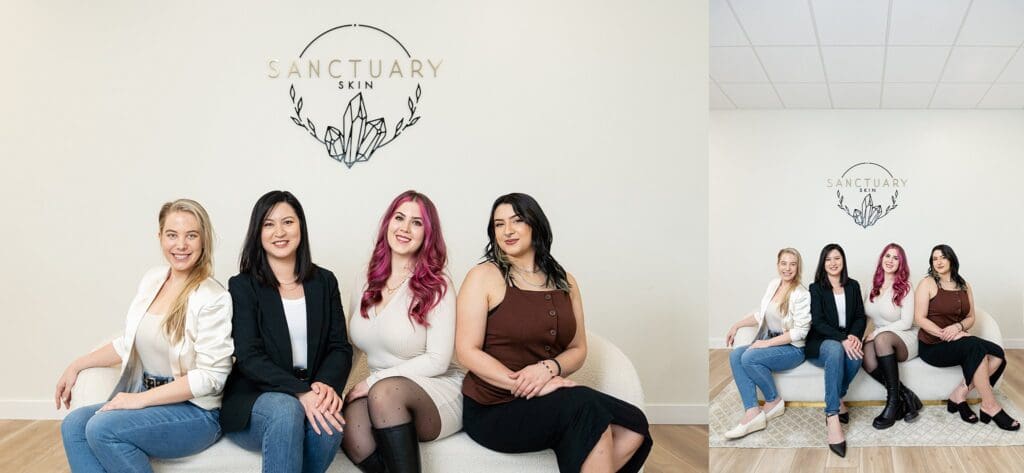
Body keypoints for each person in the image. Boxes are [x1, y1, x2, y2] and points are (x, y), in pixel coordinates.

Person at [456, 193, 651, 472]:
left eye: (517, 220)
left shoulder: (565, 281)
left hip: (546, 398)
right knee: (587, 409)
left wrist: (550, 369)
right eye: (499, 224)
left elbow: (578, 348)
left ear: (535, 224)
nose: (507, 230)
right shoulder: (484, 276)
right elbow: (466, 351)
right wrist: (524, 384)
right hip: (494, 406)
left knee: (635, 424)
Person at [57, 199, 233, 472]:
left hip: (195, 412)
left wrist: (137, 400)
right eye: (172, 235)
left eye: (192, 235)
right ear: (160, 236)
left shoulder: (213, 297)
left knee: (102, 429)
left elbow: (212, 378)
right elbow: (128, 343)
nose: (181, 245)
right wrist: (76, 364)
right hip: (145, 397)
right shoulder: (153, 279)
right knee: (74, 426)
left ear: (204, 240)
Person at [220, 190, 353, 473]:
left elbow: (339, 346)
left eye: (288, 222)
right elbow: (249, 356)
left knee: (330, 426)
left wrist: (324, 385)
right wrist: (301, 392)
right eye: (268, 224)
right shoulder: (243, 286)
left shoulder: (325, 281)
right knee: (286, 410)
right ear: (257, 232)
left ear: (301, 227)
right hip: (254, 399)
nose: (279, 232)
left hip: (312, 389)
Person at [342, 191, 463, 473]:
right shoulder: (365, 277)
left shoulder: (438, 284)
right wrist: (334, 391)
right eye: (399, 218)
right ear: (387, 223)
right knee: (348, 425)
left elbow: (438, 360)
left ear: (428, 234)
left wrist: (372, 382)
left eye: (417, 223)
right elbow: (352, 346)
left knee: (385, 393)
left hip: (434, 389)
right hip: (380, 393)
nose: (405, 228)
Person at [915, 244, 1018, 431]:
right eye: (934, 258)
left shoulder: (964, 285)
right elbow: (919, 318)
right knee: (975, 348)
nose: (938, 262)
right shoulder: (927, 283)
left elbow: (970, 317)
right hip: (932, 345)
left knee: (997, 355)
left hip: (958, 338)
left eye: (942, 257)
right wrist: (945, 334)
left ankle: (958, 394)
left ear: (951, 259)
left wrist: (957, 327)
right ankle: (990, 405)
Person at [724, 248, 810, 440]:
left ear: (798, 267)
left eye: (792, 264)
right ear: (778, 264)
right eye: (783, 263)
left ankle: (773, 400)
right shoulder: (774, 284)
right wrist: (736, 325)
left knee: (749, 357)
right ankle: (752, 411)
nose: (787, 268)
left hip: (792, 348)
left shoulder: (801, 294)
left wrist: (766, 344)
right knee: (736, 355)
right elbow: (761, 315)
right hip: (771, 342)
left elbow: (800, 332)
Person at [805, 243, 865, 458]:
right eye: (828, 259)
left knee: (857, 355)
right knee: (836, 350)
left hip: (846, 338)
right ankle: (832, 414)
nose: (833, 263)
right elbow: (818, 322)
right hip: (821, 342)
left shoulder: (853, 286)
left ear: (843, 261)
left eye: (837, 258)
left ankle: (839, 398)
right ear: (823, 263)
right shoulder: (816, 288)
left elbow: (860, 316)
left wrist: (854, 337)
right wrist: (842, 339)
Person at [861, 243, 922, 429]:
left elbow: (906, 322)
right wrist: (858, 338)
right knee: (866, 356)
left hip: (904, 337)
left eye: (896, 258)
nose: (890, 260)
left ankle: (893, 402)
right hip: (882, 338)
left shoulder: (906, 287)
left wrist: (877, 332)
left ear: (901, 264)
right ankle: (906, 395)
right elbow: (863, 317)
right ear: (882, 259)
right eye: (888, 256)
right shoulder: (873, 285)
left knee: (882, 339)